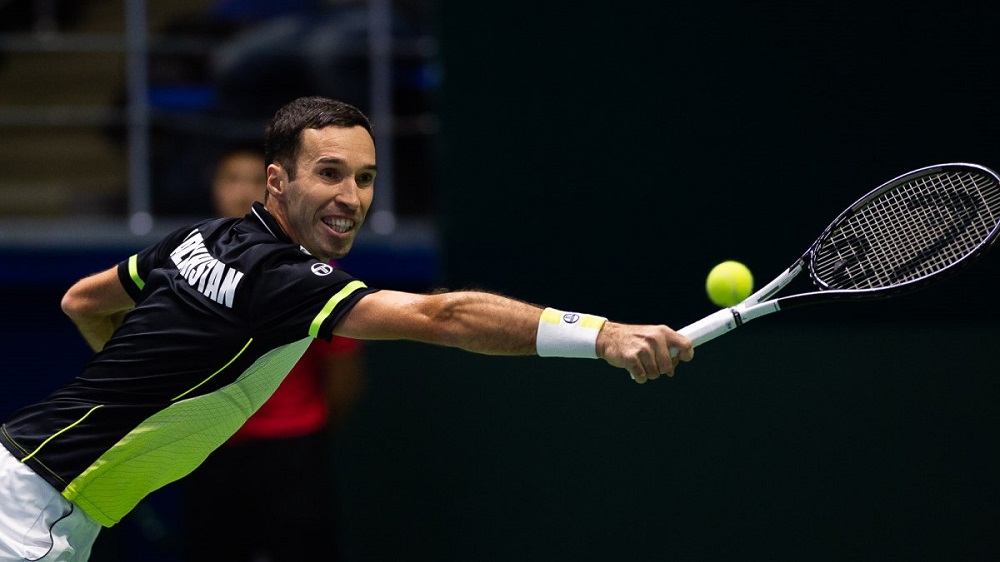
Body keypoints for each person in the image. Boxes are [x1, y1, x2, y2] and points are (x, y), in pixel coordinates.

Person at [0, 96, 694, 561]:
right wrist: (602, 334)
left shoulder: (199, 238)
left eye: (365, 178)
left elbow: (80, 301)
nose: (351, 197)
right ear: (277, 181)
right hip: (38, 504)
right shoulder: (284, 278)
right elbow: (442, 315)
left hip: (34, 485)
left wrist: (141, 384)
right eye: (329, 173)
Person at [179, 145, 366, 561]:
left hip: (292, 452)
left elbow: (344, 374)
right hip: (208, 450)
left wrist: (307, 429)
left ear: (275, 188)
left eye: (254, 180)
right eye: (231, 179)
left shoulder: (313, 274)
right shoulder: (185, 266)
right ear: (213, 187)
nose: (242, 191)